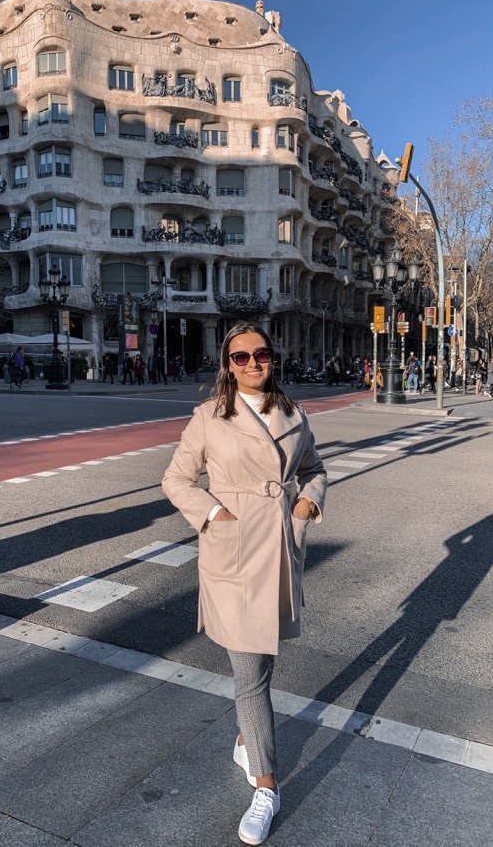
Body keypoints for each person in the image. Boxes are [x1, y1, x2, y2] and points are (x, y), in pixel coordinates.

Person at [162, 322, 327, 846]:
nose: (253, 363)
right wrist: (213, 513)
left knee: (265, 658)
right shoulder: (209, 418)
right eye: (240, 358)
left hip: (279, 548)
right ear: (226, 365)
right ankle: (266, 785)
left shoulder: (294, 414)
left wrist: (307, 502)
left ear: (272, 357)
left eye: (261, 354)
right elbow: (175, 479)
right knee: (251, 673)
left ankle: (245, 739)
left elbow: (315, 467)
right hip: (232, 553)